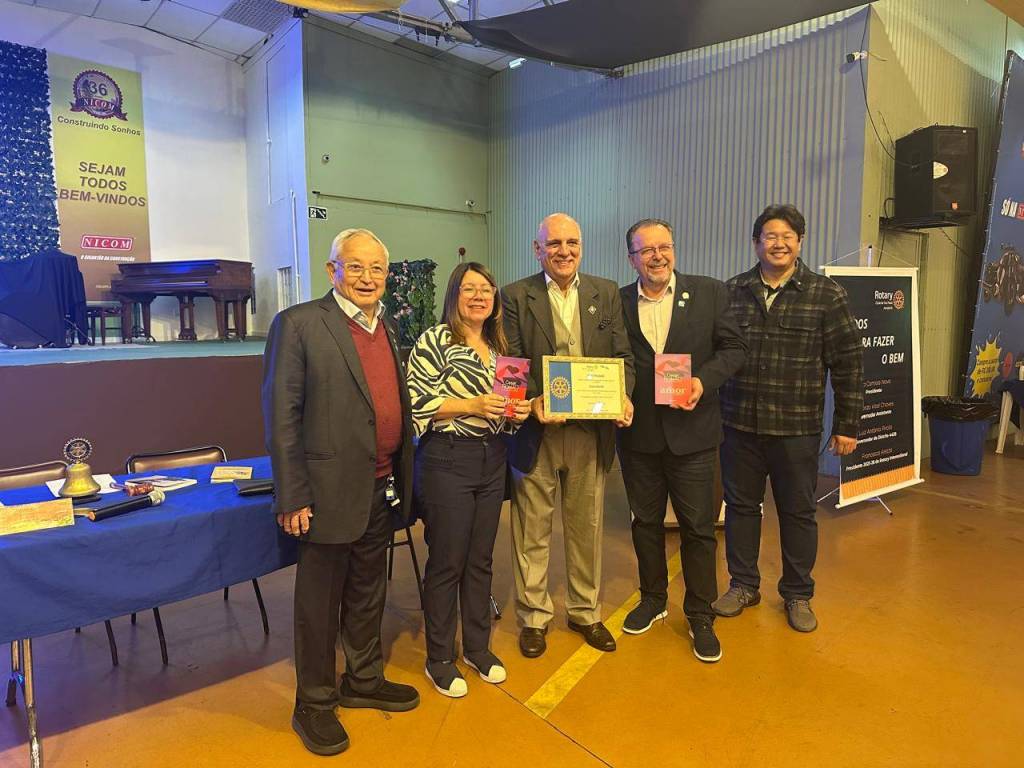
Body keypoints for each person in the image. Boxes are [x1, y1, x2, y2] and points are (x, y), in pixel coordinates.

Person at [262, 228, 419, 757]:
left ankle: (363, 679)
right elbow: (282, 417)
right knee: (319, 603)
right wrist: (292, 495)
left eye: (377, 268)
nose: (367, 278)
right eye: (356, 266)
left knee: (368, 590)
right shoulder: (299, 325)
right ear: (332, 271)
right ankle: (313, 702)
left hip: (381, 485)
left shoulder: (387, 326)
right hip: (325, 493)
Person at [714, 204, 864, 633]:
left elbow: (849, 363)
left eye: (787, 236)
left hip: (796, 429)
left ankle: (798, 593)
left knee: (798, 512)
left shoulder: (825, 295)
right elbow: (715, 352)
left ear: (800, 242)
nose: (778, 244)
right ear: (755, 242)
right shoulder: (733, 292)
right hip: (738, 425)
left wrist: (847, 424)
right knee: (741, 508)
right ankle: (743, 585)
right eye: (769, 236)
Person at [502, 212, 635, 658]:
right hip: (537, 431)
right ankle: (533, 617)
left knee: (586, 526)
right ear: (537, 249)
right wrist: (534, 400)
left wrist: (623, 395)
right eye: (554, 243)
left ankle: (584, 611)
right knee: (532, 529)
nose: (564, 251)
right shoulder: (515, 296)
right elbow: (511, 362)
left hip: (590, 431)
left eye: (572, 243)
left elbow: (623, 357)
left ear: (581, 247)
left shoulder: (605, 292)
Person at [617, 218, 746, 662]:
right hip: (638, 436)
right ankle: (653, 599)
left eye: (664, 247)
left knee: (699, 529)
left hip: (694, 435)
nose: (657, 256)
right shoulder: (617, 302)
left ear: (673, 249)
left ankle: (700, 614)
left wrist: (702, 382)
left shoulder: (709, 293)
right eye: (646, 250)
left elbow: (734, 349)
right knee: (645, 523)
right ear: (631, 258)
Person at [406, 262, 530, 698]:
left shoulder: (500, 348)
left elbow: (504, 411)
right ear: (454, 295)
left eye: (486, 289)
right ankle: (439, 657)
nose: (479, 296)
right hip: (447, 458)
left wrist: (518, 411)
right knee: (447, 561)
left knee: (480, 559)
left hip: (492, 459)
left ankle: (478, 647)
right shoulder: (435, 341)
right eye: (469, 289)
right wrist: (472, 405)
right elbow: (415, 402)